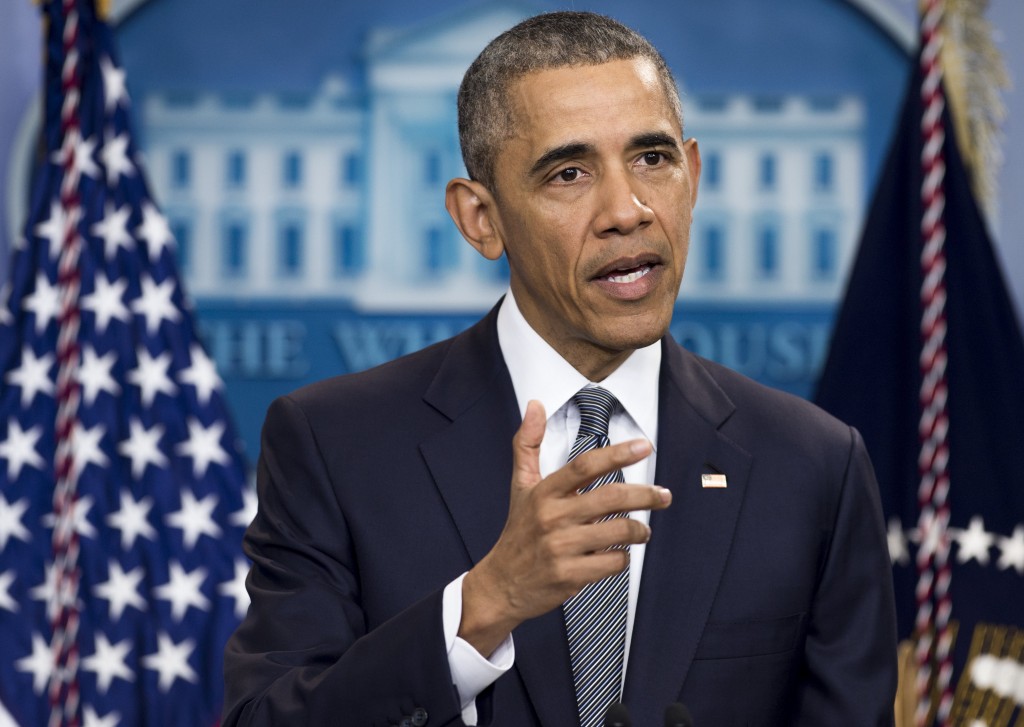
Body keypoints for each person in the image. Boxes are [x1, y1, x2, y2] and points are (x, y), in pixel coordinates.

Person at [223, 11, 897, 726]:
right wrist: (482, 607)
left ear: (693, 175)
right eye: (569, 173)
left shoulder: (813, 463)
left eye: (652, 159)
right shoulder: (335, 445)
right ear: (481, 218)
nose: (627, 210)